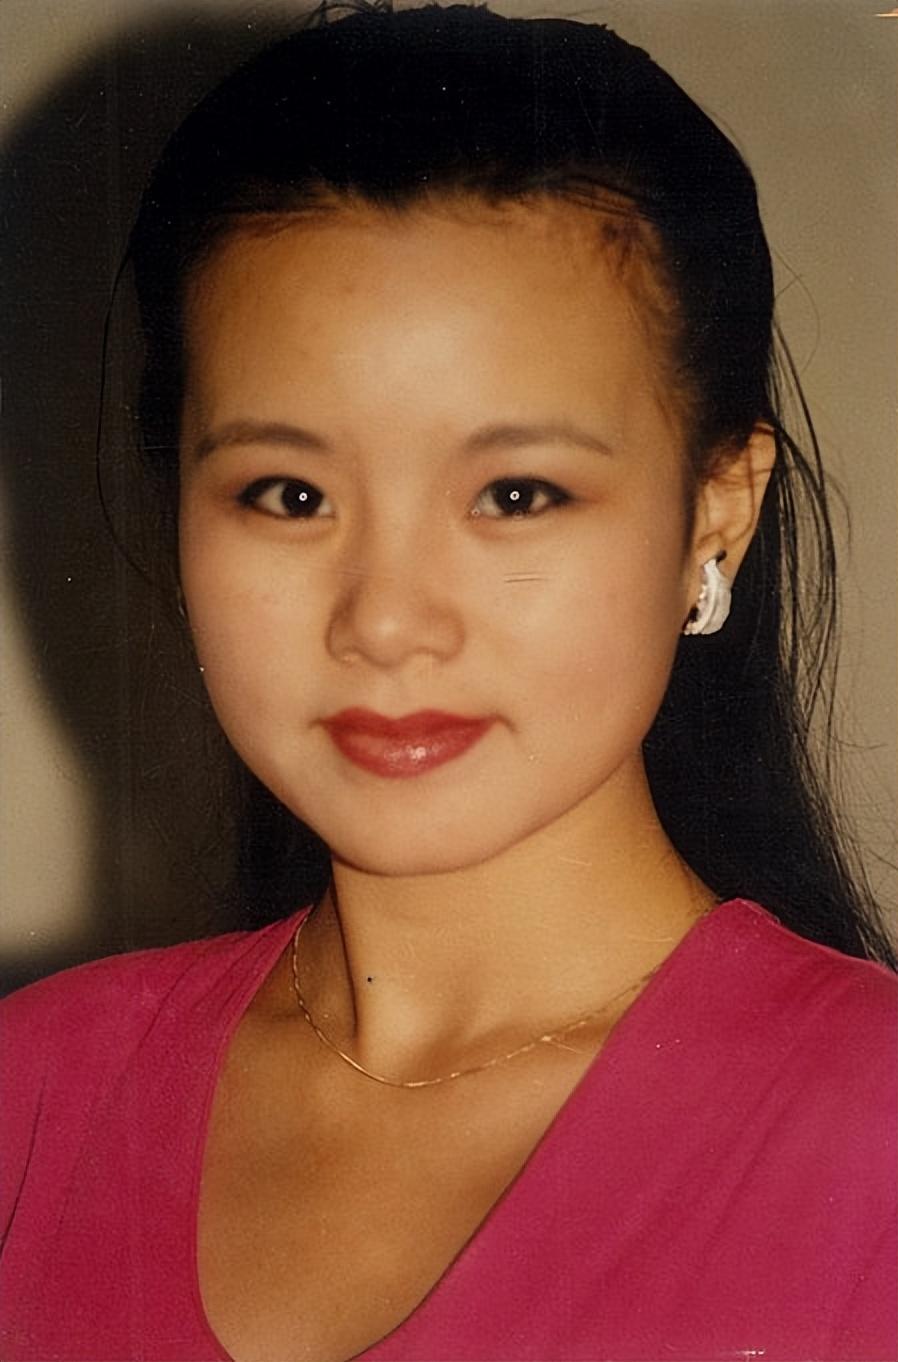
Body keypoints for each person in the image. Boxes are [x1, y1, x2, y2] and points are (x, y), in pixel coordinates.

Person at [1, 4, 895, 1360]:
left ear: (717, 507)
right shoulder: (34, 1095)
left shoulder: (869, 1141)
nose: (385, 621)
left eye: (515, 493)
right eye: (288, 493)